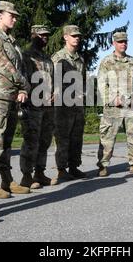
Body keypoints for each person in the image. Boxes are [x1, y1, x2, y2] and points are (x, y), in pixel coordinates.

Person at [0, 1, 31, 198]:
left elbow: (20, 67)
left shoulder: (12, 41)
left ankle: (7, 180)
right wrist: (25, 84)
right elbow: (3, 65)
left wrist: (22, 90)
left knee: (7, 140)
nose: (15, 18)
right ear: (0, 15)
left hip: (12, 96)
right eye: (12, 14)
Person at [96, 32, 133, 177]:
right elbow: (101, 84)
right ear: (114, 43)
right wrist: (112, 99)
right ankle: (103, 165)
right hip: (113, 107)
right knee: (108, 137)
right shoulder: (107, 62)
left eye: (125, 41)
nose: (123, 44)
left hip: (131, 107)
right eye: (120, 42)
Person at [19, 25, 56, 187]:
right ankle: (26, 176)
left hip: (48, 106)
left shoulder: (47, 58)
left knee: (45, 140)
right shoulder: (26, 56)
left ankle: (40, 173)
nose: (45, 38)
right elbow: (23, 79)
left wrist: (56, 92)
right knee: (31, 140)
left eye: (47, 35)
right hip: (33, 106)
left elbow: (53, 80)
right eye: (41, 35)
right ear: (33, 35)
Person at [51, 25, 87, 183]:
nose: (77, 38)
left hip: (77, 104)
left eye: (78, 36)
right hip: (62, 105)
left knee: (76, 137)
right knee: (62, 137)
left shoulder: (80, 59)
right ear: (65, 37)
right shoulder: (58, 57)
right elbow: (51, 80)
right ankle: (61, 169)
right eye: (73, 36)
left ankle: (74, 166)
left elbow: (83, 80)